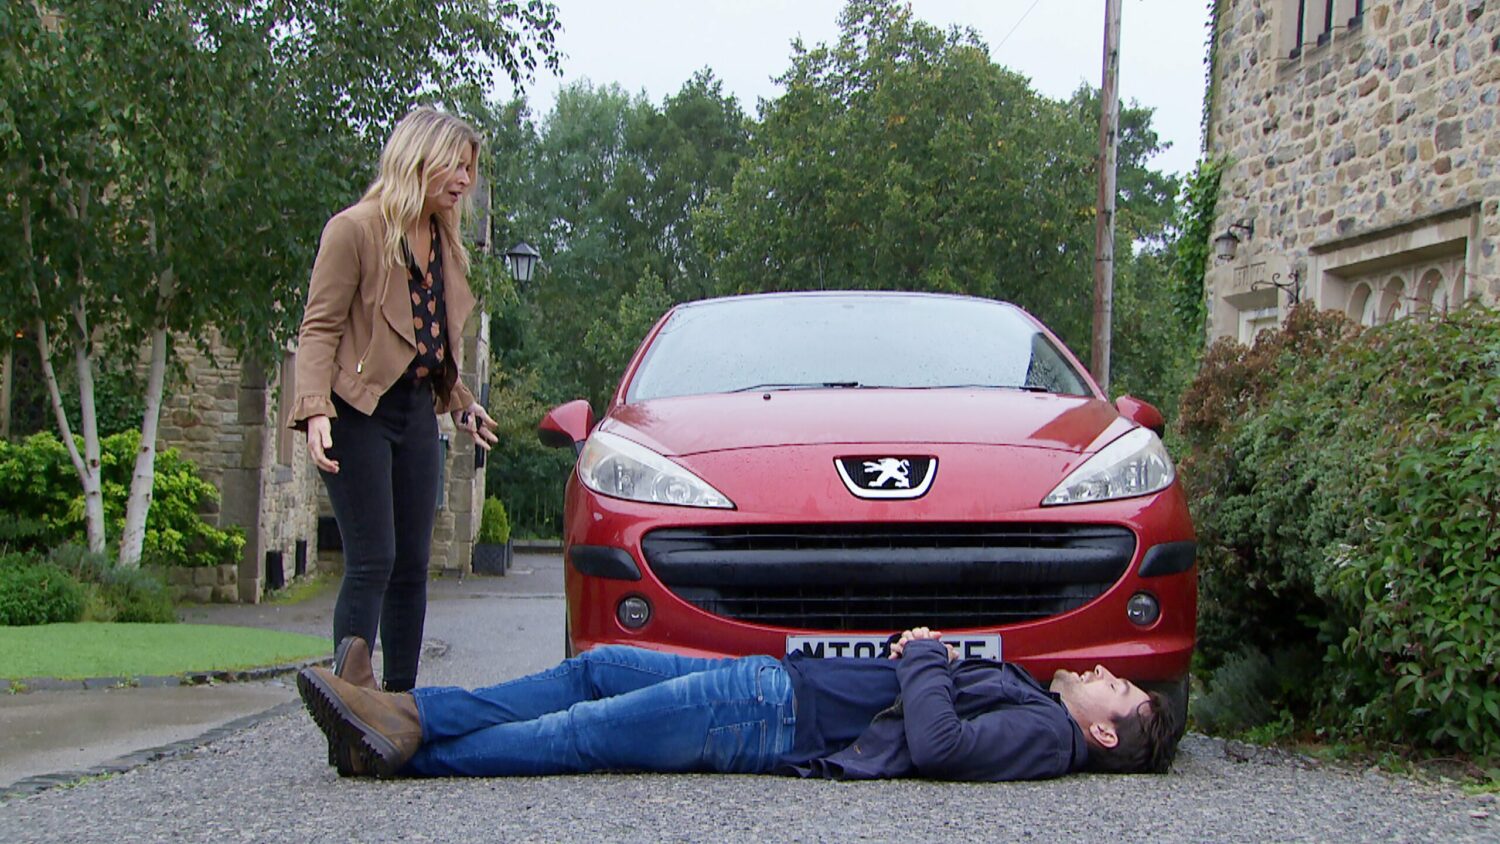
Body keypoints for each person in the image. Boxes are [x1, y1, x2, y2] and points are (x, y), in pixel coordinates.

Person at [297, 627, 1182, 781]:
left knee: (581, 733)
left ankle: (403, 739)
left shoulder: (1043, 735)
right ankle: (398, 713)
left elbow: (942, 746)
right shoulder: (1037, 710)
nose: (1106, 671)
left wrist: (924, 658)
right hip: (772, 688)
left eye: (1121, 688)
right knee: (593, 670)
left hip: (767, 719)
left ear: (1104, 728)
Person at [288, 106, 499, 693]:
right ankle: (350, 705)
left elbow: (426, 344)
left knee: (412, 566)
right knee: (373, 560)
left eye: (469, 169)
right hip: (356, 412)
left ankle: (400, 704)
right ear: (419, 157)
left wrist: (460, 402)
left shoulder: (445, 244)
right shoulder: (354, 230)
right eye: (455, 165)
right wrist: (314, 412)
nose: (464, 180)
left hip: (414, 414)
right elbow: (319, 328)